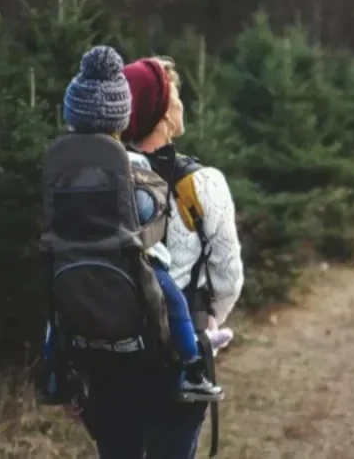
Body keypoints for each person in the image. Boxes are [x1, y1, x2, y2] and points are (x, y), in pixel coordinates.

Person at [75, 51, 244, 458]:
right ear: (162, 114)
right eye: (176, 97)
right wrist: (203, 331)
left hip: (106, 357)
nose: (183, 104)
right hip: (175, 362)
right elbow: (228, 279)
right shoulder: (204, 184)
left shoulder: (95, 177)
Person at [38, 45, 224, 406]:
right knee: (172, 299)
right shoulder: (128, 161)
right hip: (124, 253)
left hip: (68, 253)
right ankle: (191, 368)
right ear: (120, 117)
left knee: (55, 311)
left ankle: (52, 372)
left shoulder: (60, 160)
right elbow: (143, 208)